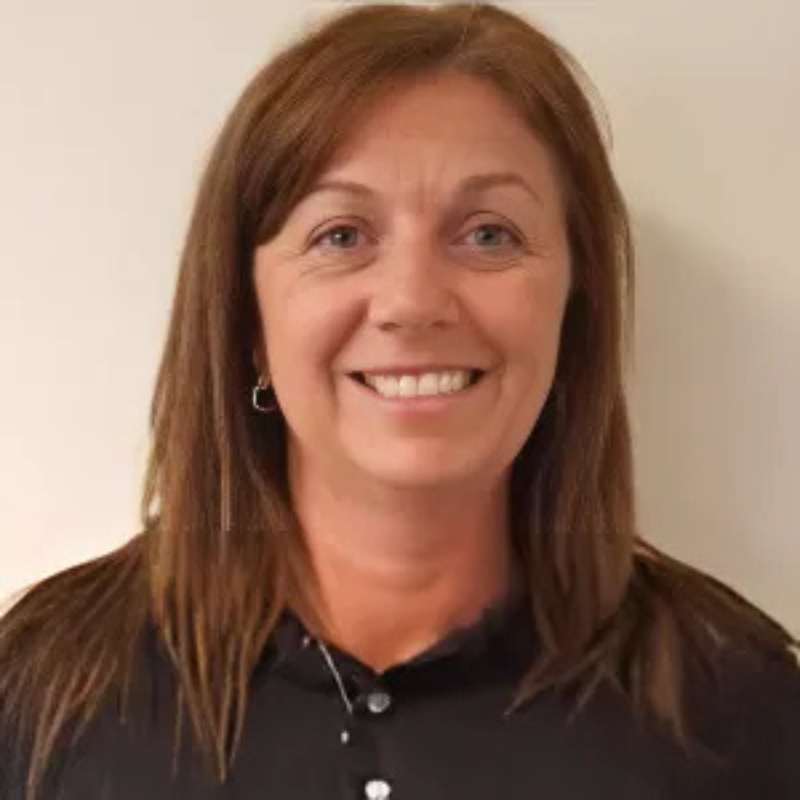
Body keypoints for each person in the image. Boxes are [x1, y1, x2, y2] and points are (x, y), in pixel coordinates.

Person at [1, 3, 798, 799]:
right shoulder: (43, 693)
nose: (413, 302)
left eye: (489, 234)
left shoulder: (736, 709)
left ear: (573, 304)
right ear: (247, 320)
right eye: (341, 235)